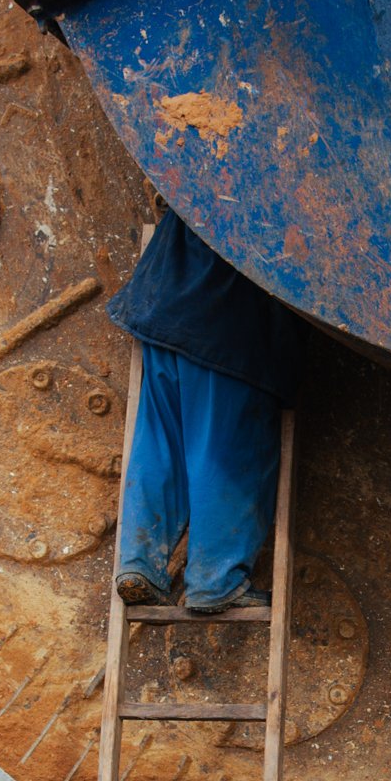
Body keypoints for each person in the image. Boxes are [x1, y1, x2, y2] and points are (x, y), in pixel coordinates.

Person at [106, 204, 299, 615]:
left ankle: (139, 563)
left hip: (163, 305)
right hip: (224, 323)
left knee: (160, 439)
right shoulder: (278, 195)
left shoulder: (212, 150)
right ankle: (215, 582)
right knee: (225, 447)